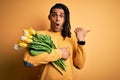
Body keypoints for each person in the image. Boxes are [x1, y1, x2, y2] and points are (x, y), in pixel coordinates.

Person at [24, 3, 89, 80]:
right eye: (54, 15)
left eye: (62, 16)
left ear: (65, 19)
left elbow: (80, 65)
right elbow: (28, 60)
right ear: (49, 17)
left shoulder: (71, 37)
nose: (57, 19)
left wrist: (81, 42)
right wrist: (59, 53)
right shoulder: (39, 35)